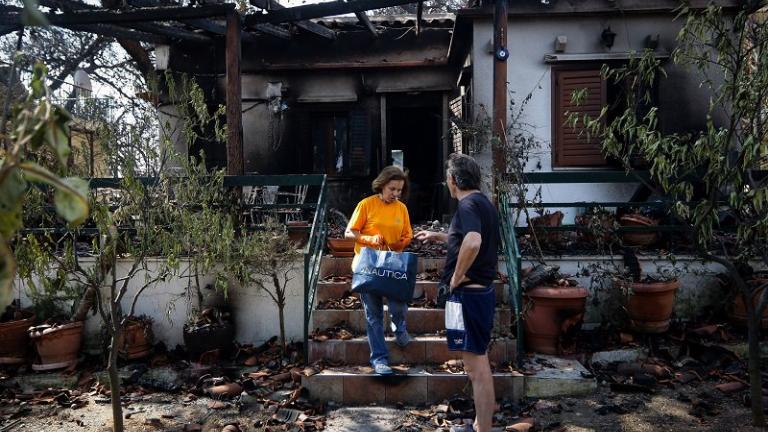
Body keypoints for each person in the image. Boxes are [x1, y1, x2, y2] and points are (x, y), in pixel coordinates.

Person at [415, 153, 499, 432]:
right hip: (479, 294)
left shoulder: (467, 206)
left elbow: (473, 242)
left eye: (447, 178)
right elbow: (468, 237)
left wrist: (456, 277)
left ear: (453, 180)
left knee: (477, 368)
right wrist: (440, 236)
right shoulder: (483, 203)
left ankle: (482, 428)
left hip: (469, 295)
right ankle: (479, 422)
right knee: (477, 362)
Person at [345, 166, 413, 375]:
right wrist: (369, 239)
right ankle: (380, 360)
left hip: (393, 264)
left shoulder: (401, 208)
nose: (396, 194)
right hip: (368, 266)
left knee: (399, 304)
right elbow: (350, 232)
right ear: (382, 185)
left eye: (399, 190)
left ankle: (399, 326)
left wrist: (403, 241)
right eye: (392, 189)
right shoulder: (366, 205)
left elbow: (407, 233)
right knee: (373, 315)